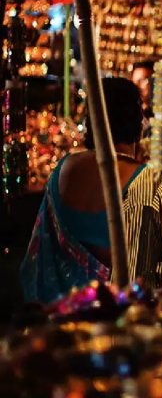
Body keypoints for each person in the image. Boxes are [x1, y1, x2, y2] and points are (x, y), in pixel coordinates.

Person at [20, 78, 148, 304]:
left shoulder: (64, 168)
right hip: (113, 319)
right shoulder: (145, 179)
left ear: (91, 119)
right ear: (139, 122)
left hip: (57, 314)